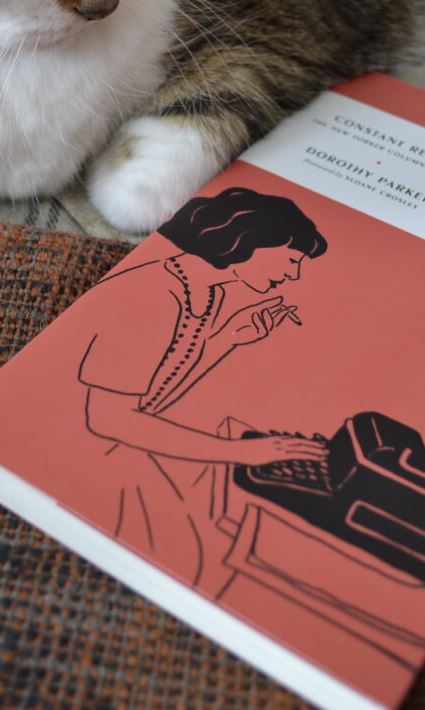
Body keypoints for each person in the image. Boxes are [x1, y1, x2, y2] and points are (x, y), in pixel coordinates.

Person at [77, 187, 328, 586]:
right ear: (250, 240)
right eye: (292, 259)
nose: (293, 274)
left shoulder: (202, 293)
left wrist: (227, 338)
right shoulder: (153, 290)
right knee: (194, 550)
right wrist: (241, 453)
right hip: (87, 457)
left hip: (123, 450)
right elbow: (108, 418)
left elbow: (153, 397)